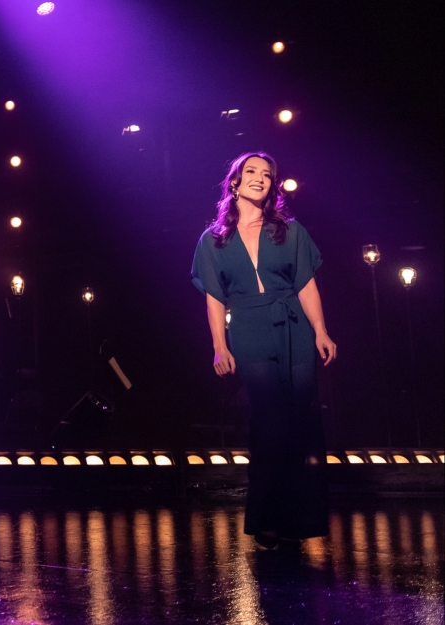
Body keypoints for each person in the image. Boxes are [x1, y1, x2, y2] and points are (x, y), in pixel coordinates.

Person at [191, 152, 337, 550]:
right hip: (249, 329)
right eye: (251, 172)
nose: (260, 178)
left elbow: (306, 284)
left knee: (297, 423)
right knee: (269, 423)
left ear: (273, 185)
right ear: (235, 182)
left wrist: (321, 331)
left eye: (267, 174)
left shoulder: (289, 231)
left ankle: (295, 520)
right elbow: (214, 298)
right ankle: (266, 519)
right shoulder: (213, 240)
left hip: (294, 326)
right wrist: (219, 346)